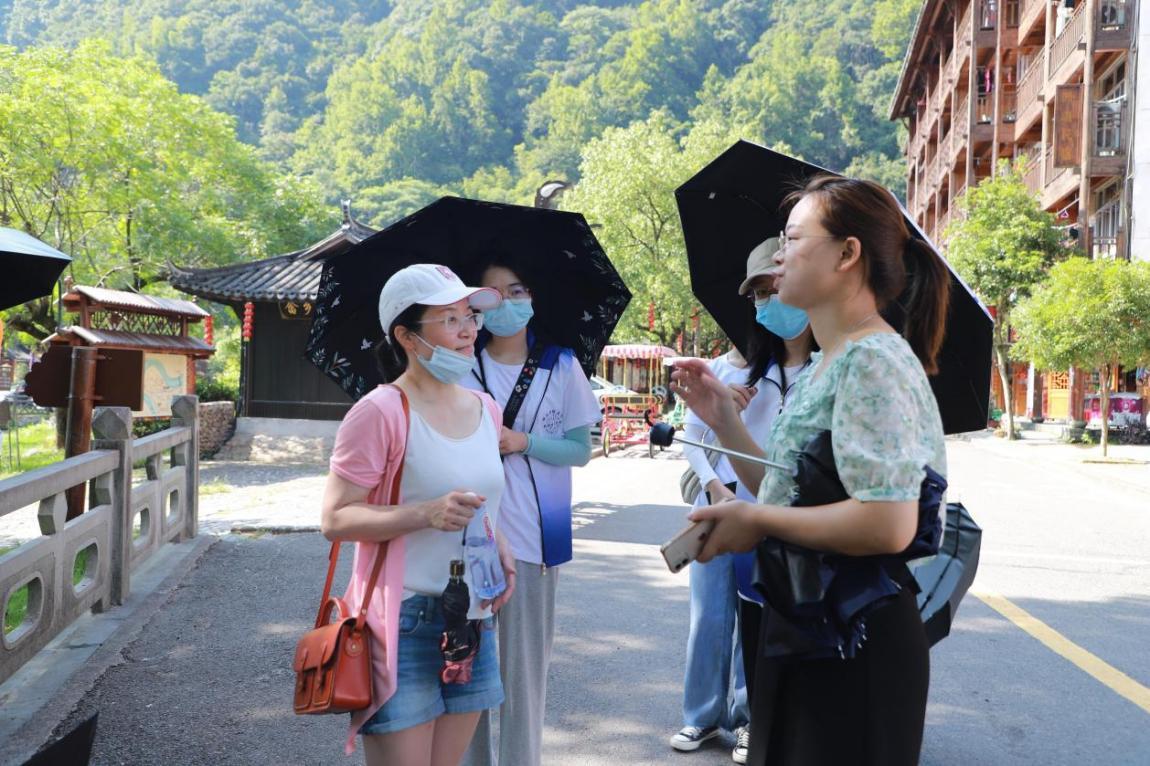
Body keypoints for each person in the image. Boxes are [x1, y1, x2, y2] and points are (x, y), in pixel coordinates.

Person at [670, 175, 949, 766]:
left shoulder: (872, 360)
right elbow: (786, 492)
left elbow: (888, 523)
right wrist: (724, 421)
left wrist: (756, 520)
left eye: (792, 239)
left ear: (848, 254)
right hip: (809, 621)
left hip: (855, 638)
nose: (779, 257)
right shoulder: (830, 360)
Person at [320, 263, 518, 766]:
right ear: (407, 336)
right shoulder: (380, 411)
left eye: (470, 316)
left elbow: (482, 500)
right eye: (449, 320)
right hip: (403, 620)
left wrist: (499, 546)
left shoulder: (487, 408)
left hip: (473, 617)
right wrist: (424, 514)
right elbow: (335, 519)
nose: (468, 330)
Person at [671, 238, 814, 764]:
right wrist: (715, 482)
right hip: (725, 506)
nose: (769, 301)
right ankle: (702, 715)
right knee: (710, 617)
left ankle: (751, 717)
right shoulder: (736, 369)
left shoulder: (829, 373)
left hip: (781, 520)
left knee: (760, 623)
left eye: (776, 286)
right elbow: (693, 438)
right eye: (758, 294)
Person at [459, 254, 601, 766]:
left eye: (517, 290)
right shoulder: (459, 364)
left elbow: (580, 450)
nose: (507, 302)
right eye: (494, 293)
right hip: (466, 540)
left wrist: (522, 441)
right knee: (464, 675)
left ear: (534, 298)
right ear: (477, 304)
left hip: (535, 541)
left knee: (523, 679)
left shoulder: (560, 365)